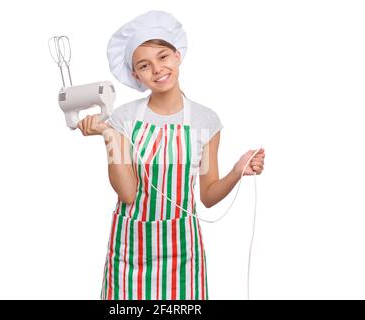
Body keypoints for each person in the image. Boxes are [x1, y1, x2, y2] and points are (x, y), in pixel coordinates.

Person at [77, 10, 265, 300]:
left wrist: (237, 170)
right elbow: (128, 194)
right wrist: (109, 136)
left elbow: (208, 195)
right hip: (131, 252)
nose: (157, 69)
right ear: (134, 74)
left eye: (163, 57)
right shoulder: (124, 119)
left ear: (177, 55)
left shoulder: (205, 121)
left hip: (182, 254)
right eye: (144, 65)